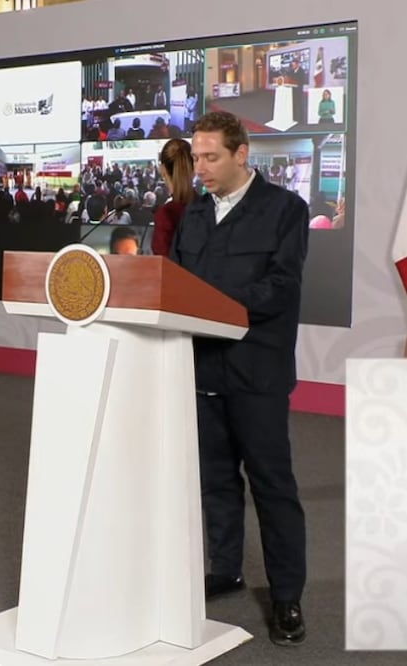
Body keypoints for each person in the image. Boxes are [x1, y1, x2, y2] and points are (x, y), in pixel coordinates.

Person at [168, 110, 309, 647]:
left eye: (210, 157)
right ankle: (225, 569)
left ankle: (287, 596)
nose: (199, 168)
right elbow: (175, 282)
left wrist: (209, 303)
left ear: (242, 153)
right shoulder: (195, 215)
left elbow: (280, 289)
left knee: (273, 486)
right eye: (196, 157)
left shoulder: (284, 210)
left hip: (257, 373)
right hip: (200, 368)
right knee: (215, 480)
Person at [152, 138, 196, 255]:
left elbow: (164, 265)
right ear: (194, 168)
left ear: (162, 170)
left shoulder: (166, 215)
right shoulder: (210, 207)